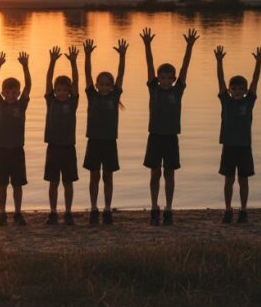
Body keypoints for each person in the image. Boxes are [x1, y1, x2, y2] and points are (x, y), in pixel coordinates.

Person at [140, 27, 199, 226]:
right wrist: (147, 45)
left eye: (169, 77)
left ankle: (168, 209)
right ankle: (154, 208)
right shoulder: (153, 89)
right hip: (155, 136)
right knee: (155, 173)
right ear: (158, 79)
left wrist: (189, 46)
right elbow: (149, 65)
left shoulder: (178, 90)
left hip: (171, 137)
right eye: (162, 77)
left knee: (169, 173)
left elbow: (185, 67)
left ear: (173, 79)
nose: (165, 80)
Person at [214, 45, 261, 224]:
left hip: (244, 147)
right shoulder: (226, 101)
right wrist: (219, 61)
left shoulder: (249, 101)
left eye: (240, 88)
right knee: (229, 180)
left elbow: (255, 80)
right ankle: (228, 210)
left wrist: (258, 62)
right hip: (229, 146)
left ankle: (243, 210)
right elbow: (220, 79)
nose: (237, 91)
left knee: (243, 180)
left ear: (244, 91)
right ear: (229, 90)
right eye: (234, 88)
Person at [82, 38, 127, 225]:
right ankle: (94, 208)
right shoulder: (92, 95)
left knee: (108, 177)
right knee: (94, 177)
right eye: (101, 84)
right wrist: (87, 55)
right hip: (93, 141)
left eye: (107, 84)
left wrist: (122, 56)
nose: (104, 87)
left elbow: (121, 74)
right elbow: (87, 74)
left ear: (111, 87)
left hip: (109, 142)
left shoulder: (115, 94)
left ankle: (107, 209)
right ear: (97, 86)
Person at [0, 51, 32, 226]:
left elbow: (29, 85)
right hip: (1, 150)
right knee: (2, 185)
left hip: (17, 150)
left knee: (17, 184)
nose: (11, 96)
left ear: (18, 93)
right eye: (7, 92)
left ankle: (17, 212)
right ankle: (2, 213)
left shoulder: (21, 105)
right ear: (3, 93)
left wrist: (25, 66)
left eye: (14, 93)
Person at [44, 45, 80, 226]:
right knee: (53, 182)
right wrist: (52, 62)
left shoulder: (73, 102)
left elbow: (76, 82)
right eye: (58, 90)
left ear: (69, 91)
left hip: (68, 147)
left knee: (68, 182)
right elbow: (48, 80)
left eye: (64, 90)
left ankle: (67, 212)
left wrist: (73, 63)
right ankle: (52, 212)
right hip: (53, 147)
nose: (61, 93)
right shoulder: (51, 101)